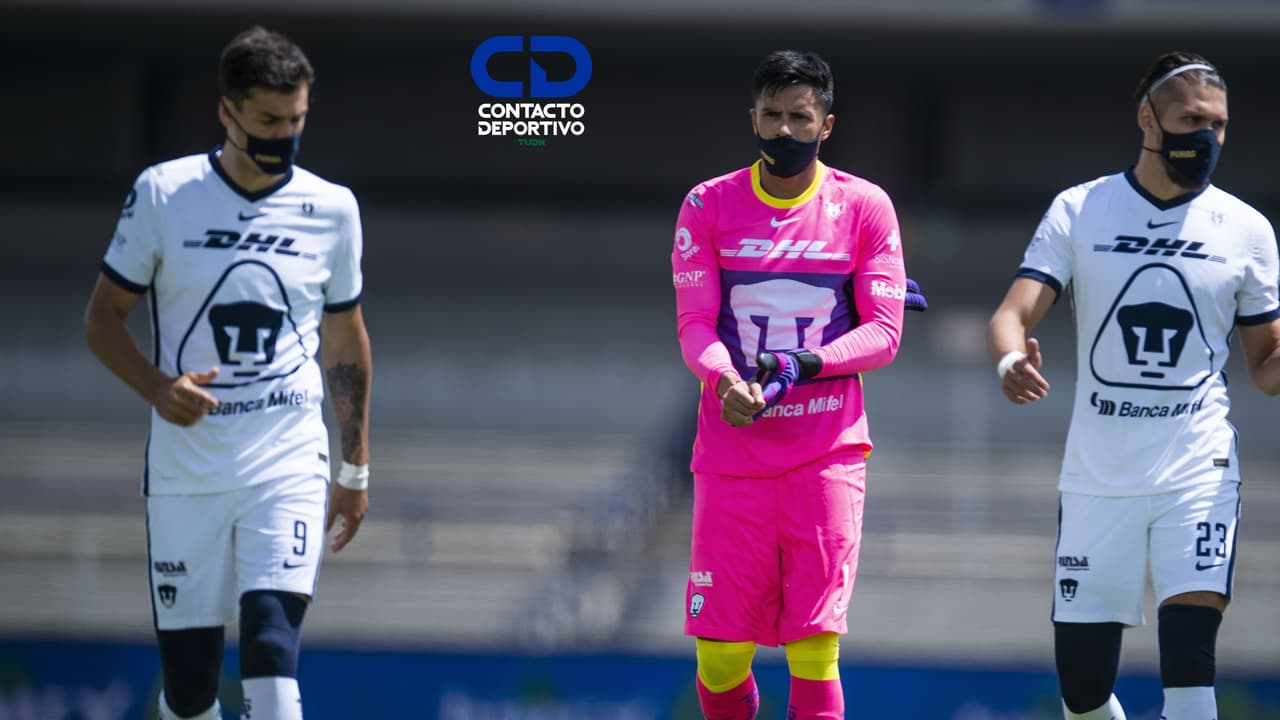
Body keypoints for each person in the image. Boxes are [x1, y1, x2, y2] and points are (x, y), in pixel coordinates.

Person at [83, 26, 372, 720]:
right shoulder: (163, 194)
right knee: (189, 690)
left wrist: (355, 468)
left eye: (296, 120)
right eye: (268, 121)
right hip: (187, 469)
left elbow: (345, 338)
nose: (284, 136)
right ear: (227, 111)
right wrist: (158, 388)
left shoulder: (334, 209)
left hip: (286, 456)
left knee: (271, 645)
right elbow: (102, 319)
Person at [988, 51, 1279, 720]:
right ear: (1148, 118)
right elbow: (1011, 315)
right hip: (1098, 476)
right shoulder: (1081, 208)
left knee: (1190, 676)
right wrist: (1009, 363)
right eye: (1192, 120)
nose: (1207, 137)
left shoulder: (1248, 230)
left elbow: (1266, 369)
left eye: (1219, 124)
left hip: (1199, 469)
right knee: (1082, 694)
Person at [671, 49, 923, 720]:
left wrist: (802, 364)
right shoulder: (707, 204)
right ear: (752, 118)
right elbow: (695, 324)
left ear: (826, 125)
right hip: (732, 455)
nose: (784, 131)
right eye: (772, 115)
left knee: (815, 646)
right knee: (720, 657)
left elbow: (884, 334)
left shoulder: (865, 206)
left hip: (826, 455)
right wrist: (725, 378)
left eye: (800, 118)